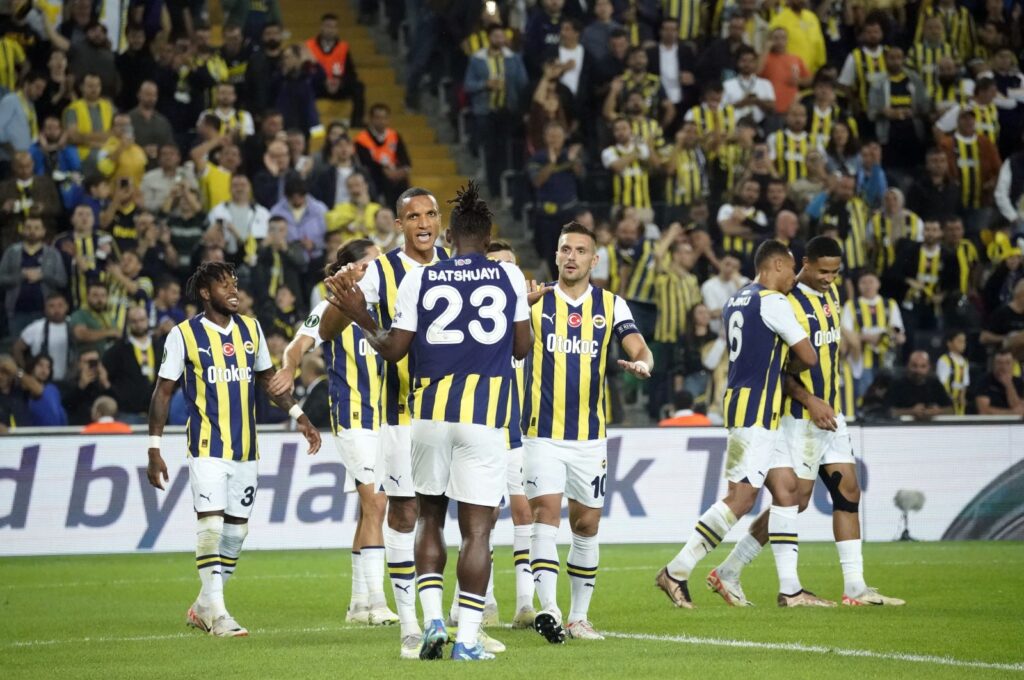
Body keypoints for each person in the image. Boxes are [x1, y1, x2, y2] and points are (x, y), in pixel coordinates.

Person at [324, 183, 534, 661]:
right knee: (477, 531)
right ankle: (467, 640)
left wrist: (360, 314)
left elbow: (394, 349)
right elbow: (522, 348)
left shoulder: (422, 278)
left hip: (427, 416)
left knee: (429, 519)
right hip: (485, 417)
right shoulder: (507, 277)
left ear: (449, 233)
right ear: (486, 237)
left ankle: (432, 621)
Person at [710, 236, 904, 608]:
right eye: (822, 271)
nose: (830, 278)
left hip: (831, 413)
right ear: (804, 264)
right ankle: (732, 570)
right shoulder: (785, 301)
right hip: (795, 415)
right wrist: (809, 399)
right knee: (793, 501)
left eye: (835, 272)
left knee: (848, 492)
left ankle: (855, 588)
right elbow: (774, 369)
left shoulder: (830, 297)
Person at [146, 261, 321, 638]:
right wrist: (154, 447)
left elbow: (267, 379)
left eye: (235, 283)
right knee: (210, 525)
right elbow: (163, 391)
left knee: (236, 534)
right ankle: (218, 615)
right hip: (207, 446)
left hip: (246, 448)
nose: (233, 289)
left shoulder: (251, 329)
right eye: (224, 284)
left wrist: (300, 415)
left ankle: (204, 604)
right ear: (205, 293)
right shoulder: (183, 335)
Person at [314, 187, 447, 658]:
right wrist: (344, 308)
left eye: (431, 214)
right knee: (407, 512)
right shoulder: (383, 271)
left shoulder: (458, 268)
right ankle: (412, 626)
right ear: (399, 224)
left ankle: (464, 619)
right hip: (400, 415)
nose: (424, 223)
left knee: (469, 516)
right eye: (413, 216)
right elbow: (326, 328)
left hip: (456, 411)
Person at [656, 239, 824, 609]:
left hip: (754, 405)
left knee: (787, 492)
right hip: (756, 409)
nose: (794, 278)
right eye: (791, 269)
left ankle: (791, 590)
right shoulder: (773, 301)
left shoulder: (737, 298)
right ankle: (677, 570)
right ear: (777, 265)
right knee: (741, 497)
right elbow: (809, 355)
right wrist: (794, 363)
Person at [517, 221, 653, 642]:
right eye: (565, 250)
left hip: (590, 436)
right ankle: (551, 610)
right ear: (556, 256)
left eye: (580, 250)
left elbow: (637, 344)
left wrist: (642, 363)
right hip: (540, 432)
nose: (571, 257)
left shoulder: (611, 305)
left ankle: (579, 617)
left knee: (587, 525)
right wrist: (516, 307)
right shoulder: (535, 303)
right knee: (544, 514)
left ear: (594, 260)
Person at [270, 238, 399, 627]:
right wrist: (289, 367)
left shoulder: (391, 304)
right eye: (370, 262)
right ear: (351, 269)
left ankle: (358, 603)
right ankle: (377, 601)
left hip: (389, 417)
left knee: (370, 508)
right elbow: (299, 343)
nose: (378, 268)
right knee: (377, 504)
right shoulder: (333, 306)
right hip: (353, 413)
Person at [0, 214, 67, 337]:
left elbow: (62, 281)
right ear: (22, 230)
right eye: (28, 227)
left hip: (45, 312)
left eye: (36, 228)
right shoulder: (11, 252)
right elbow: (1, 279)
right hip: (16, 312)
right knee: (17, 349)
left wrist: (43, 276)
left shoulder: (53, 254)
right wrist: (21, 276)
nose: (32, 231)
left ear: (43, 231)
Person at [103, 306, 163, 420]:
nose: (139, 324)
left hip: (157, 413)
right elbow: (106, 379)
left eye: (142, 320)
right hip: (127, 413)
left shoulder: (161, 347)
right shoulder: (117, 351)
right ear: (128, 323)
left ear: (147, 320)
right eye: (134, 321)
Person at [13, 292, 71, 382]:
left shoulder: (74, 325)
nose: (56, 309)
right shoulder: (36, 327)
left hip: (70, 380)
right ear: (45, 309)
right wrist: (26, 370)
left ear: (67, 307)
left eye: (60, 305)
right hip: (41, 382)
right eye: (52, 306)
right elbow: (17, 348)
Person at [884, 350, 954, 421]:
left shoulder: (935, 384)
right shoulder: (897, 384)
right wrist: (911, 412)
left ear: (929, 367)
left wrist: (938, 411)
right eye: (914, 366)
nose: (918, 370)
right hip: (903, 428)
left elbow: (951, 410)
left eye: (923, 366)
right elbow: (887, 412)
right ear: (908, 365)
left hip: (932, 429)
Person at [975, 349, 1024, 416]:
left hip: (1014, 424)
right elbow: (983, 410)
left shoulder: (1019, 382)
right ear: (993, 364)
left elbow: (1019, 408)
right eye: (1000, 363)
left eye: (1007, 363)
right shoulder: (985, 381)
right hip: (990, 423)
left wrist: (1009, 385)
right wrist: (1011, 413)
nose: (1003, 367)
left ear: (1013, 364)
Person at [936, 329, 970, 416]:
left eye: (964, 341)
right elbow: (941, 383)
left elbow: (965, 383)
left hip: (958, 403)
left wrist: (962, 396)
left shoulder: (964, 362)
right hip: (946, 402)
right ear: (949, 343)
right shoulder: (944, 360)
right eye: (959, 341)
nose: (963, 344)